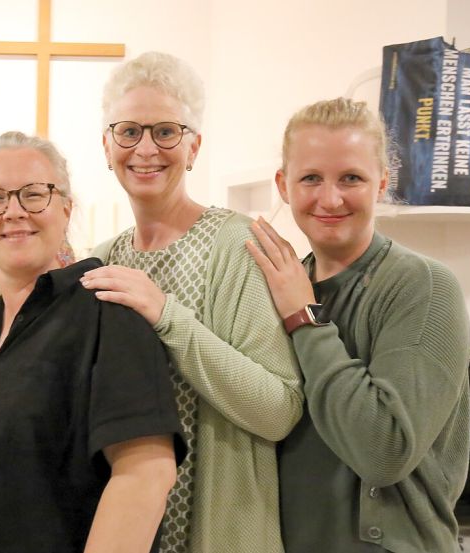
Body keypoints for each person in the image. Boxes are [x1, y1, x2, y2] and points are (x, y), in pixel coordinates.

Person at [80, 51, 303, 553]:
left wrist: (166, 315)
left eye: (166, 131)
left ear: (193, 146)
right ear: (107, 145)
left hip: (218, 529)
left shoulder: (239, 245)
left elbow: (278, 409)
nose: (146, 149)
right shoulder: (100, 261)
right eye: (129, 131)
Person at [0, 131, 185, 553]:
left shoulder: (106, 310)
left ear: (66, 209)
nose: (13, 211)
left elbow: (146, 473)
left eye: (33, 194)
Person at [246, 97, 470, 553]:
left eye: (351, 178)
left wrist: (304, 319)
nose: (330, 198)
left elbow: (384, 451)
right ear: (283, 186)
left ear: (382, 183)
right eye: (311, 178)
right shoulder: (283, 284)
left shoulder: (423, 286)